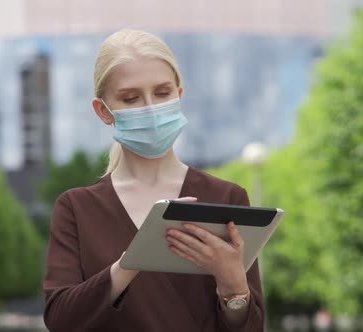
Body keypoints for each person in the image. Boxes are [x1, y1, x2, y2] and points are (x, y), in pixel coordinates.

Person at [43, 29, 264, 332]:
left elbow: (251, 328)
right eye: (130, 98)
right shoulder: (76, 208)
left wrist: (233, 283)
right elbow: (60, 320)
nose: (150, 108)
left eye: (162, 93)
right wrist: (129, 264)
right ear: (103, 111)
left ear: (179, 95)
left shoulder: (226, 198)